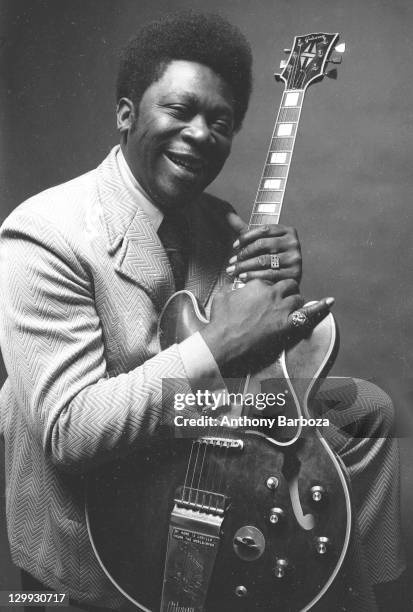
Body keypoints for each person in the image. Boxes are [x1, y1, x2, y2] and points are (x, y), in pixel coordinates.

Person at [0, 11, 405, 612]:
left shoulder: (223, 226)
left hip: (192, 429)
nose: (200, 134)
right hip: (95, 500)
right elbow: (71, 430)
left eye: (220, 122)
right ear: (126, 114)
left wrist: (280, 298)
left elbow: (250, 372)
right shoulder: (45, 232)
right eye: (179, 110)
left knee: (369, 411)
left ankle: (354, 590)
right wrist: (216, 345)